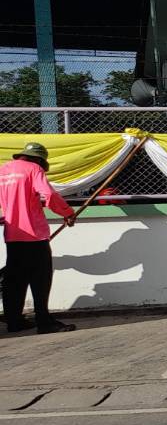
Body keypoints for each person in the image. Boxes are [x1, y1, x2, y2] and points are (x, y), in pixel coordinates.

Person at [1, 142, 77, 334]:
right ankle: (44, 322)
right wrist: (67, 212)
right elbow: (49, 194)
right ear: (39, 160)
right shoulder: (34, 169)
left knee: (15, 279)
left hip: (12, 234)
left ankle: (14, 321)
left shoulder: (4, 170)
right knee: (40, 279)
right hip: (34, 235)